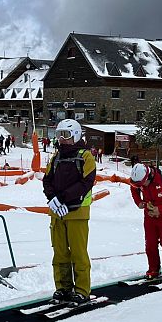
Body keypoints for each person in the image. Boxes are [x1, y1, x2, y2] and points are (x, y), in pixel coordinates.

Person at [43, 119, 96, 305]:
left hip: (77, 213)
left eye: (65, 135)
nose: (62, 139)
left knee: (78, 253)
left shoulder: (85, 157)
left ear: (75, 135)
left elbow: (86, 182)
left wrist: (64, 198)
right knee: (59, 252)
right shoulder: (55, 157)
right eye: (59, 135)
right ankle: (63, 287)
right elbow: (47, 180)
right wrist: (52, 199)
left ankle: (82, 290)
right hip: (57, 212)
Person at [129, 163, 162, 281]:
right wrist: (139, 202)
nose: (141, 186)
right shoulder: (138, 181)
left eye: (142, 184)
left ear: (148, 176)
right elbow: (133, 188)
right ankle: (154, 269)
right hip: (149, 216)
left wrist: (161, 209)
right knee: (150, 245)